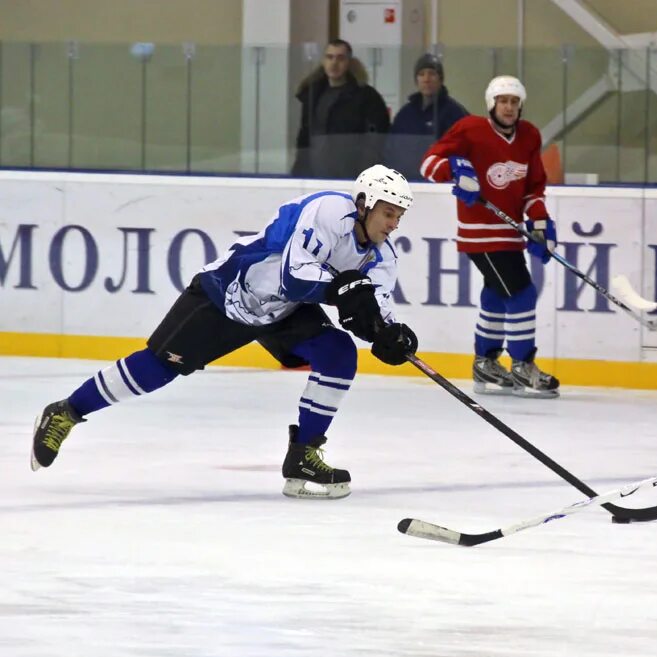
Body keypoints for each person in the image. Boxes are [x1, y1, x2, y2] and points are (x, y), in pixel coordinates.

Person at [31, 165, 418, 500]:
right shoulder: (328, 212)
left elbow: (374, 304)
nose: (393, 223)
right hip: (230, 290)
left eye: (399, 216)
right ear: (364, 203)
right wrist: (344, 291)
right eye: (388, 212)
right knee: (157, 368)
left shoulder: (382, 256)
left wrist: (389, 333)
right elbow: (294, 276)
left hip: (283, 311)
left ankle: (303, 455)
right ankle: (67, 411)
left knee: (339, 353)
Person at [419, 75, 559, 398]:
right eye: (502, 101)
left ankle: (486, 362)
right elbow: (428, 163)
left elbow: (533, 188)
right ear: (491, 104)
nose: (508, 107)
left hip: (509, 233)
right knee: (521, 293)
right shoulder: (470, 129)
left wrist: (539, 222)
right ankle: (523, 366)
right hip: (480, 234)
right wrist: (455, 170)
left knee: (497, 295)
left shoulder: (529, 136)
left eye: (514, 101)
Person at [291, 39, 391, 179]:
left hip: (350, 174)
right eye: (329, 57)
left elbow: (376, 140)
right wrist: (300, 169)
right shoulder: (313, 95)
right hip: (315, 173)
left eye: (340, 58)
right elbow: (304, 137)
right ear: (323, 61)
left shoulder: (366, 97)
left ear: (349, 62)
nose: (334, 63)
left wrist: (364, 173)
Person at [386, 53, 469, 180]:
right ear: (416, 80)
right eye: (421, 74)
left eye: (432, 73)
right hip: (407, 182)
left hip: (440, 183)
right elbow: (392, 149)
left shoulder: (455, 112)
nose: (426, 79)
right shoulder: (405, 114)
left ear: (440, 79)